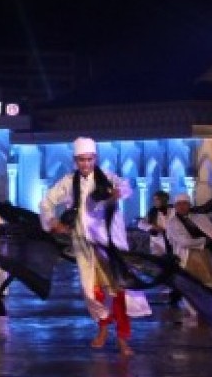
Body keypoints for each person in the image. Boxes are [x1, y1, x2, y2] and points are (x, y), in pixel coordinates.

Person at [40, 137, 150, 357]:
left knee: (119, 292)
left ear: (95, 158)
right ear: (75, 160)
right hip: (86, 247)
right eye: (81, 160)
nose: (86, 164)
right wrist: (53, 222)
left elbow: (126, 187)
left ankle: (122, 338)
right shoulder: (69, 182)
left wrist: (118, 193)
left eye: (89, 159)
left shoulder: (107, 178)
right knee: (94, 293)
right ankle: (102, 329)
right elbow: (47, 202)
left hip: (110, 246)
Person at [137, 190, 174, 256]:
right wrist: (153, 227)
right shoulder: (152, 212)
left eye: (157, 200)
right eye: (154, 200)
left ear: (164, 200)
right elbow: (140, 224)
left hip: (172, 241)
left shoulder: (173, 210)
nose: (155, 202)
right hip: (157, 243)